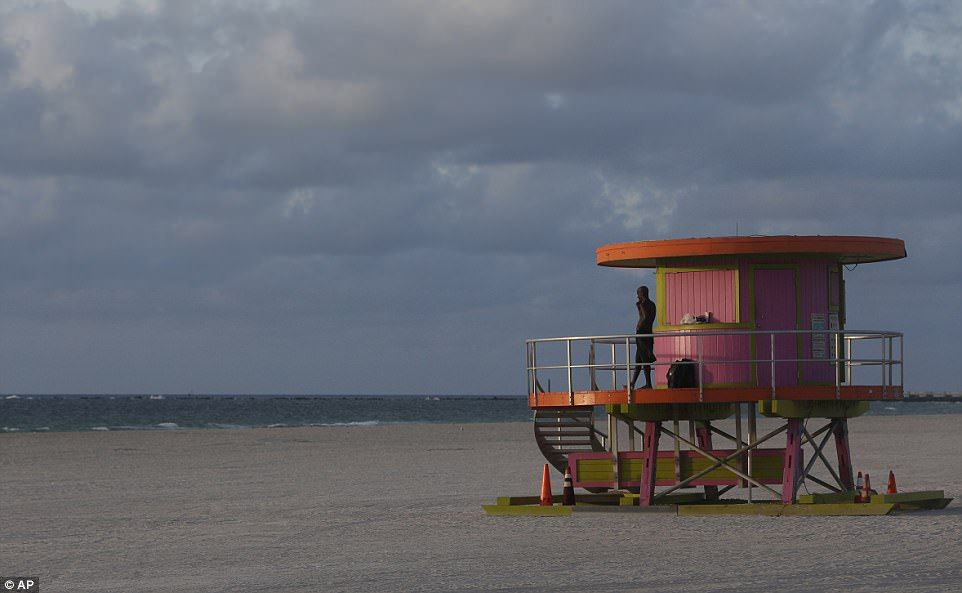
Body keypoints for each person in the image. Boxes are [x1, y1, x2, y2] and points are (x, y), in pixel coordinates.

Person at [631, 285, 657, 389]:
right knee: (638, 359)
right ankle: (633, 383)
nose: (637, 295)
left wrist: (640, 307)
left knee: (644, 359)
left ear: (643, 293)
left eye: (638, 293)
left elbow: (645, 317)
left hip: (642, 333)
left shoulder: (644, 304)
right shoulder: (652, 304)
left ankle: (648, 384)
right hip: (647, 332)